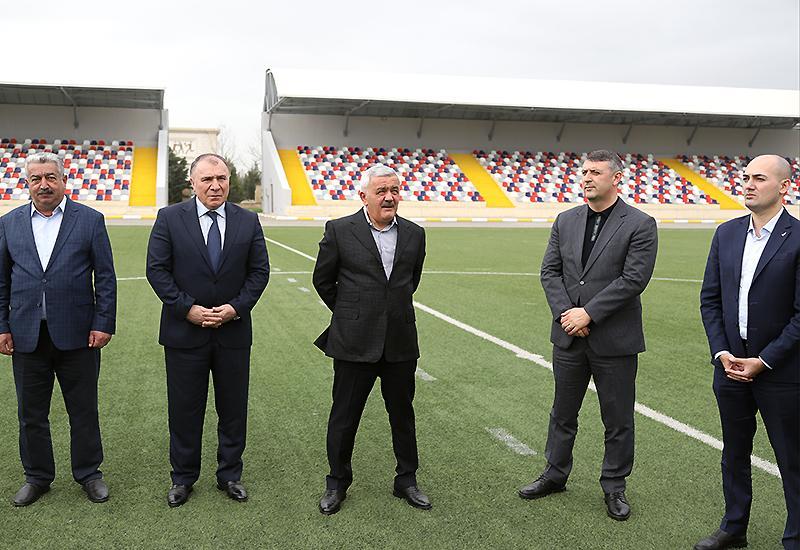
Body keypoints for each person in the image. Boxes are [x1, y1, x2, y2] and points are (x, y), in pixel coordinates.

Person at [519, 149, 658, 521]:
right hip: (569, 336)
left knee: (617, 419)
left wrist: (589, 313)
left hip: (614, 340)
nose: (586, 178)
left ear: (616, 178)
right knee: (562, 413)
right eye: (584, 172)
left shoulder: (640, 223)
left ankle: (614, 486)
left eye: (595, 172)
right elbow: (550, 272)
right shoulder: (565, 220)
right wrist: (568, 314)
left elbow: (633, 279)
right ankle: (555, 473)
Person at [146, 153, 269, 507]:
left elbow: (259, 272)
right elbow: (157, 270)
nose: (215, 186)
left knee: (233, 408)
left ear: (229, 180)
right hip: (184, 334)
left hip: (233, 333)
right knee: (184, 409)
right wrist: (188, 309)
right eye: (207, 179)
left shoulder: (248, 220)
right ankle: (183, 478)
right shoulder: (169, 218)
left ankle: (230, 475)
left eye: (221, 178)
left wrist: (235, 308)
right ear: (193, 182)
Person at [0, 152, 116, 506]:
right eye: (36, 179)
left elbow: (105, 277)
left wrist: (103, 323)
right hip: (26, 335)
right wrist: (2, 326)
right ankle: (37, 477)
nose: (44, 185)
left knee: (83, 410)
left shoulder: (90, 220)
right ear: (27, 183)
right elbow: (1, 282)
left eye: (50, 177)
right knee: (30, 414)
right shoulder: (9, 223)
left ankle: (89, 474)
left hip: (79, 335)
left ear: (64, 180)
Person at [312, 164, 428, 515]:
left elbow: (410, 281)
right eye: (381, 191)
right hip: (353, 341)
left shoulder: (415, 234)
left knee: (403, 415)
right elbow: (322, 280)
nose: (389, 197)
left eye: (394, 190)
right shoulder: (339, 230)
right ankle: (337, 483)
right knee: (344, 417)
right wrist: (352, 313)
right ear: (364, 196)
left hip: (400, 342)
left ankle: (406, 480)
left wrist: (387, 312)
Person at [697, 154, 799, 550]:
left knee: (792, 459)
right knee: (734, 452)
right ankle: (734, 527)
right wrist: (721, 351)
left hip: (782, 372)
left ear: (784, 186)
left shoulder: (798, 236)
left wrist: (765, 360)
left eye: (759, 178)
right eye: (746, 177)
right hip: (730, 366)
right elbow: (710, 299)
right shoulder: (726, 233)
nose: (749, 184)